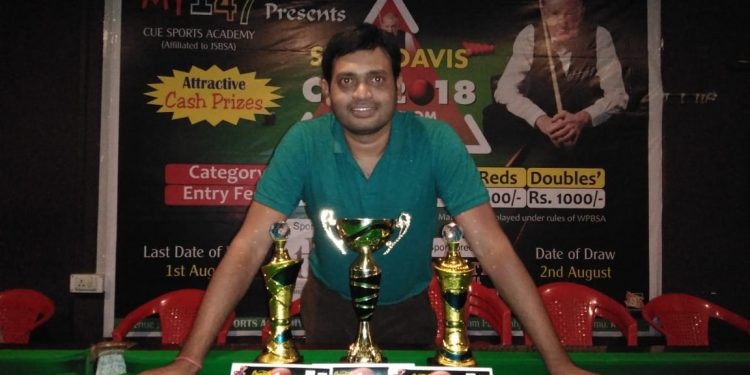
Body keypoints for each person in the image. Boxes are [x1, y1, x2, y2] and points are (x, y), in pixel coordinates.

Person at [141, 23, 595, 375]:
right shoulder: (303, 141)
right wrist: (190, 361)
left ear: (397, 87)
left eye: (376, 79)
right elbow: (247, 247)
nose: (362, 93)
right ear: (327, 89)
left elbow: (493, 248)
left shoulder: (436, 141)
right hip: (328, 311)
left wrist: (556, 362)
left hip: (410, 313)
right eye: (347, 81)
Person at [483, 0, 628, 164]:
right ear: (544, 13)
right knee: (493, 115)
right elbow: (505, 90)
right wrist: (542, 120)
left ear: (581, 13)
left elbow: (617, 95)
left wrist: (581, 119)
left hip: (586, 125)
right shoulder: (530, 35)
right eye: (555, 14)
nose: (563, 22)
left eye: (570, 13)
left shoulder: (599, 35)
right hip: (541, 122)